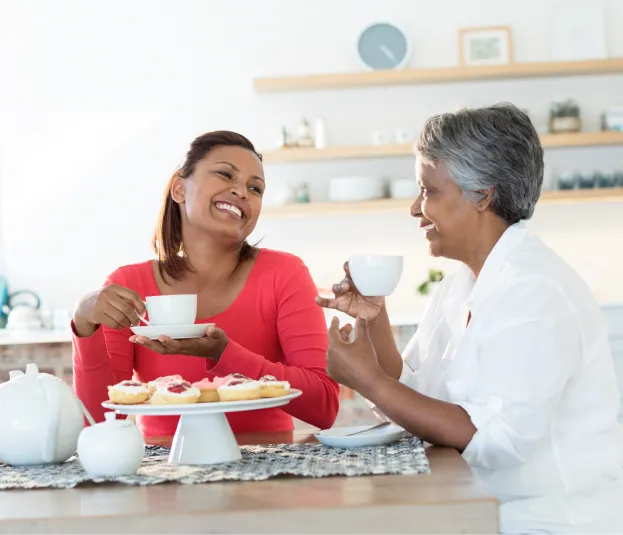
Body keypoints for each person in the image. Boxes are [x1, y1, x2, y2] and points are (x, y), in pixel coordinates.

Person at [317, 104, 623, 535]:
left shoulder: (535, 291)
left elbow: (497, 440)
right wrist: (373, 321)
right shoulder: (461, 284)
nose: (414, 209)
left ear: (483, 194)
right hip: (480, 510)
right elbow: (415, 395)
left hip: (549, 522)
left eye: (428, 191)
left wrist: (367, 380)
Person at [72, 130, 339, 438]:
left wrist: (224, 354)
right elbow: (99, 418)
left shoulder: (284, 273)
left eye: (255, 188)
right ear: (180, 189)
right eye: (225, 174)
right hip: (163, 470)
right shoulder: (128, 283)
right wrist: (83, 322)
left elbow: (324, 406)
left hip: (270, 465)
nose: (242, 192)